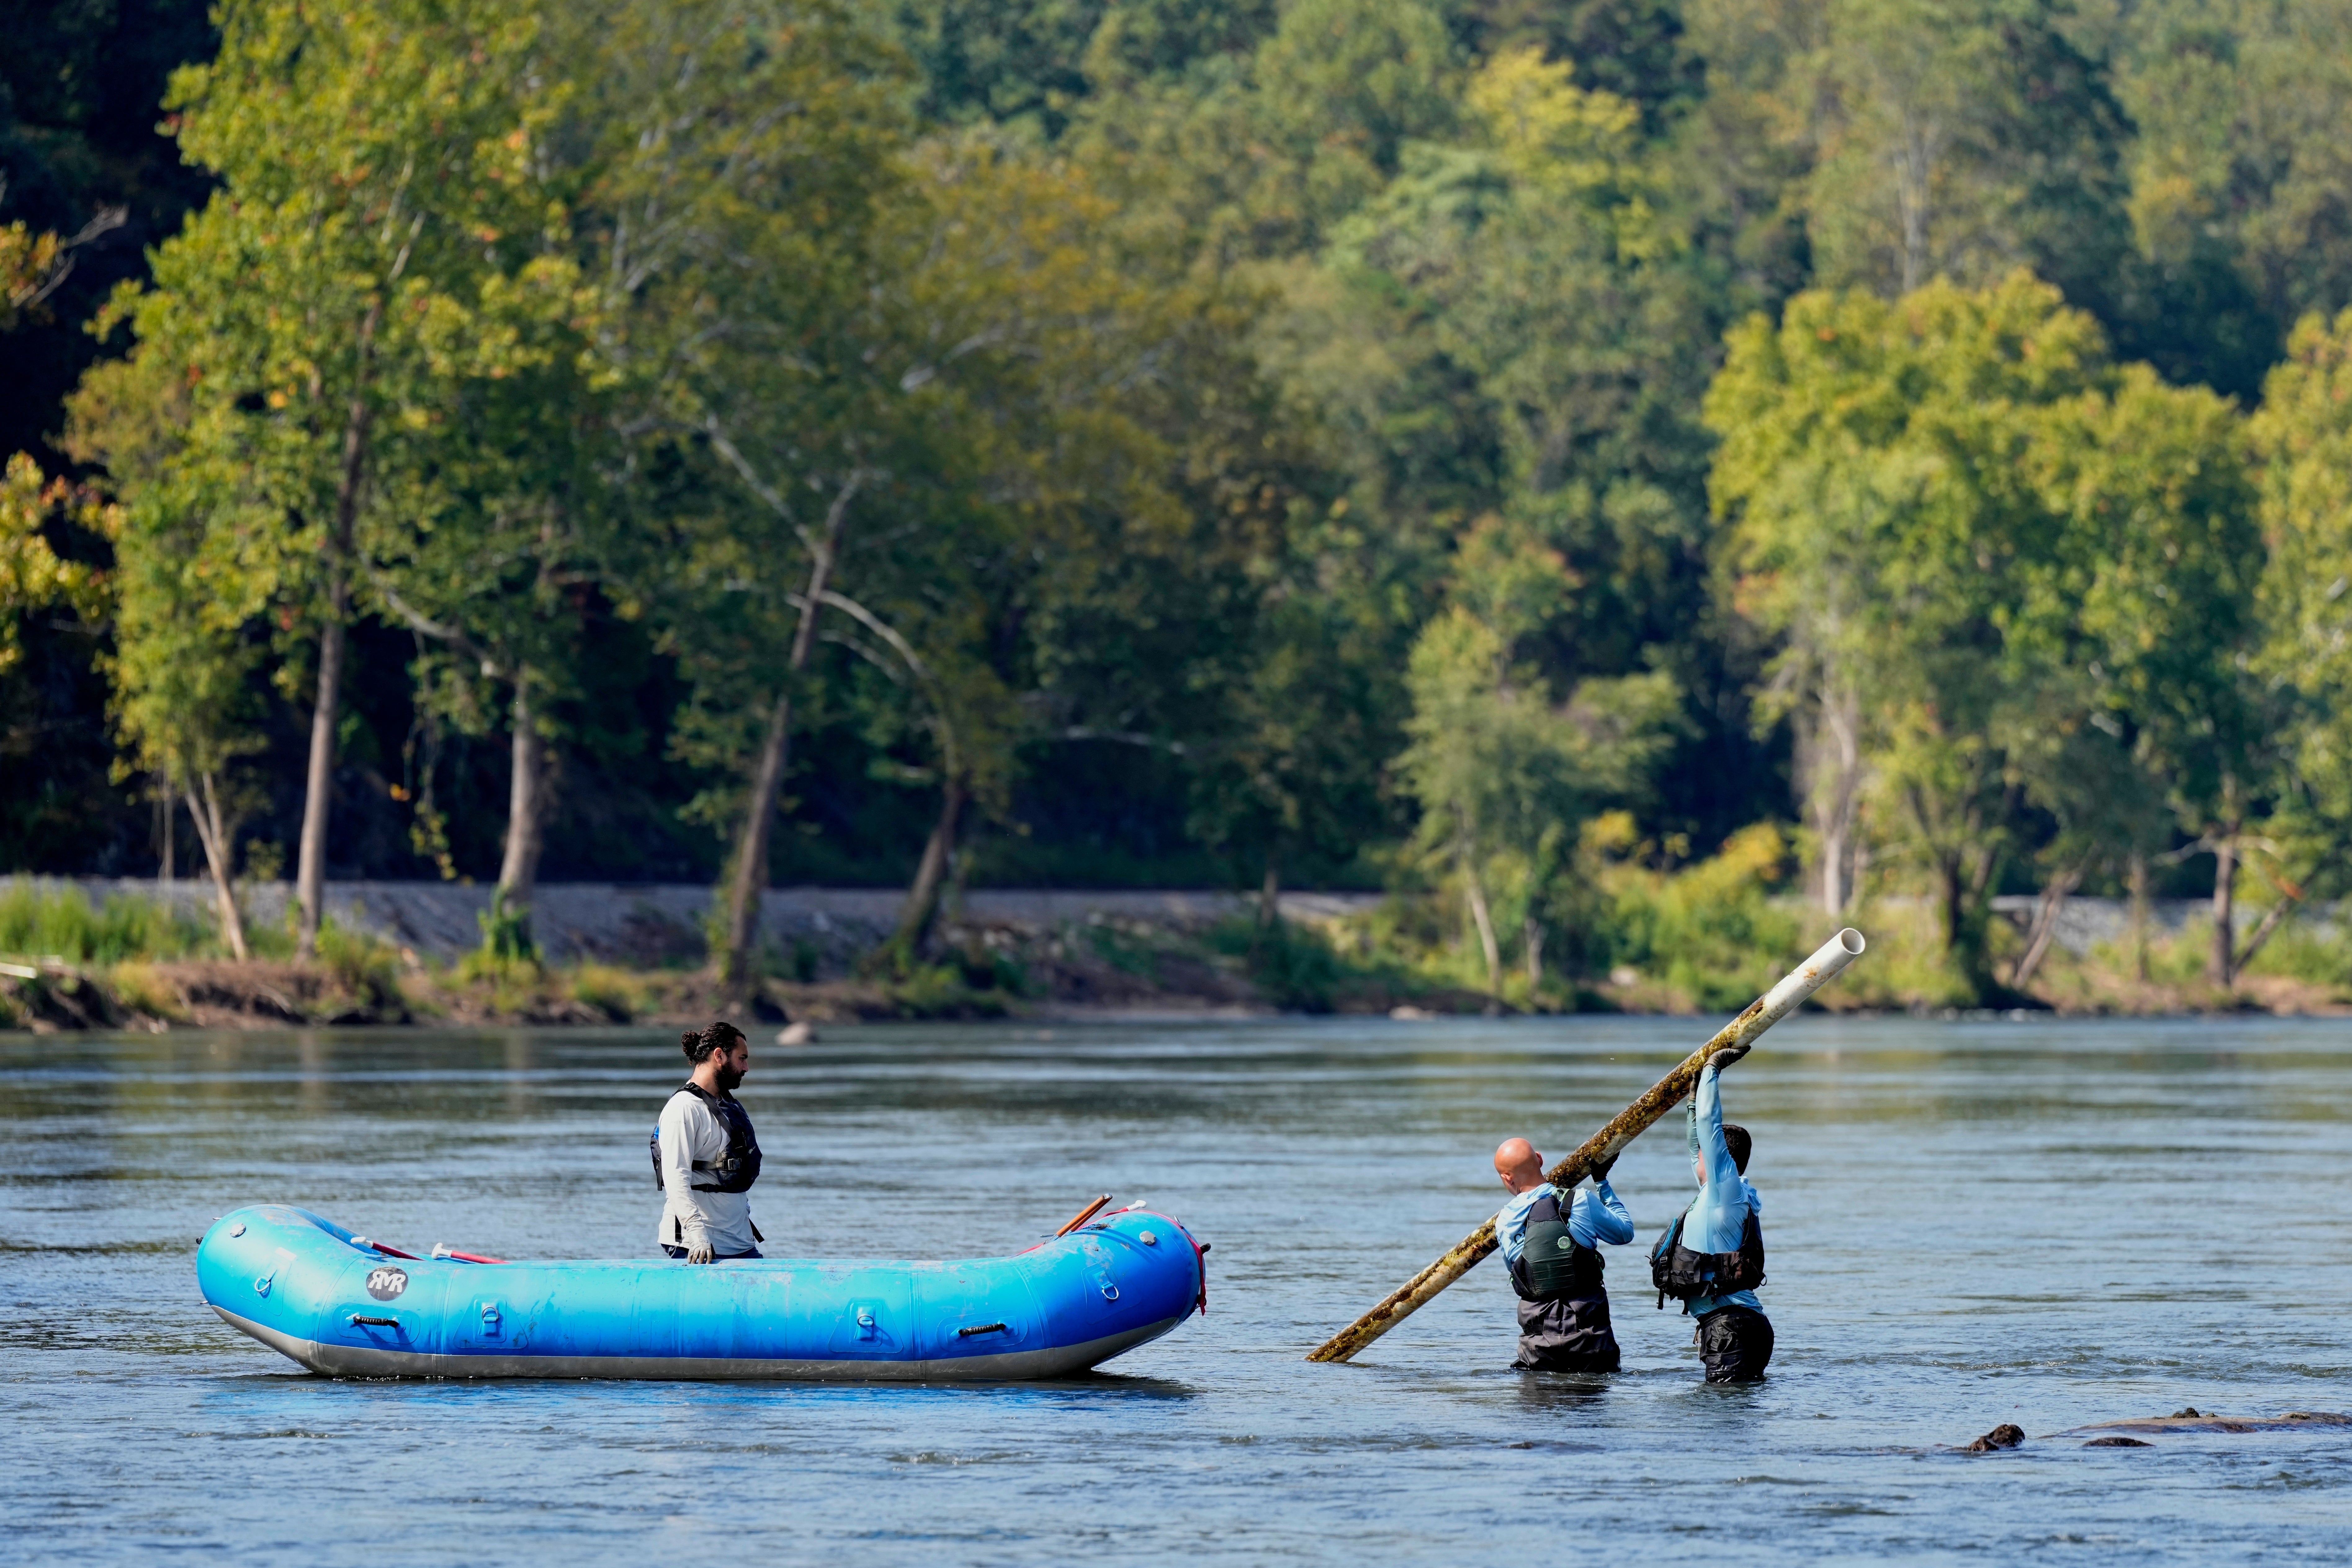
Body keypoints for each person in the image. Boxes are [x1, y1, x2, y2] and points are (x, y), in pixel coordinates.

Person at [1651, 1049, 1773, 1382]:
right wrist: (1692, 1100)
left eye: (1705, 1151)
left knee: (1718, 1429)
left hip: (1732, 1328)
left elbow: (1709, 1125)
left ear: (1722, 1160)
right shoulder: (1715, 1194)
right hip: (1733, 1327)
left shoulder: (1727, 1192)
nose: (1697, 1154)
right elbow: (1696, 1141)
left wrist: (1712, 1070)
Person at [1494, 1136, 1634, 1372]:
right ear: (1539, 1159)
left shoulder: (1504, 1222)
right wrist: (1602, 1183)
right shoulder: (1580, 1201)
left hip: (1538, 1345)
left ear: (1506, 1178)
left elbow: (1516, 1271)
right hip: (1590, 1339)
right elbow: (1624, 1233)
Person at [652, 1021, 764, 1263]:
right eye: (741, 1058)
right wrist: (698, 1236)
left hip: (740, 1243)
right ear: (719, 1056)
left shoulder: (728, 1105)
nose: (746, 1068)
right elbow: (676, 1178)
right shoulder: (683, 1108)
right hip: (697, 1248)